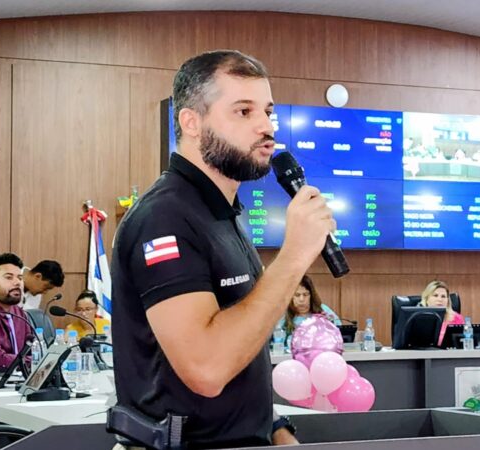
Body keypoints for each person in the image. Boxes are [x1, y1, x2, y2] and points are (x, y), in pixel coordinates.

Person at [110, 49, 335, 448]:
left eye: (268, 111)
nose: (266, 127)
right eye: (243, 112)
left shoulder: (223, 215)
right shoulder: (164, 218)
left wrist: (275, 428)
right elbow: (207, 368)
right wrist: (296, 254)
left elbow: (241, 343)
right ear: (191, 122)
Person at [0, 259, 65, 309]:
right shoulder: (3, 279)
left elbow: (29, 318)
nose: (45, 292)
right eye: (46, 287)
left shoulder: (37, 294)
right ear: (38, 276)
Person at [418, 280, 464, 347]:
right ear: (426, 299)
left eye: (443, 296)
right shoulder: (418, 318)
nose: (440, 299)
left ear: (448, 300)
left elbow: (462, 341)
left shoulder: (456, 318)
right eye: (435, 295)